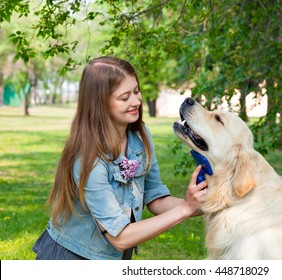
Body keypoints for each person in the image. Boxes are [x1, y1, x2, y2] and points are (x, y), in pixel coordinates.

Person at [32, 56, 208, 260]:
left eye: (136, 91)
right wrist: (185, 209)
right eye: (124, 97)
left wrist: (207, 205)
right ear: (100, 103)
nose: (136, 101)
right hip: (72, 257)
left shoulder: (140, 135)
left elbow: (156, 199)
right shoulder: (88, 158)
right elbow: (120, 237)